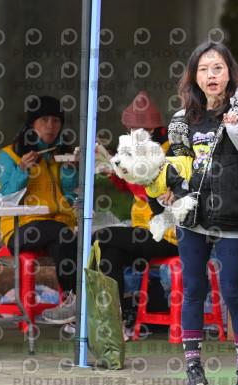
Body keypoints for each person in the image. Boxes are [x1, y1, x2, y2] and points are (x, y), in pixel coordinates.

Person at [166, 41, 238, 385]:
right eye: (203, 69)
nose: (210, 75)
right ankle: (193, 367)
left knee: (233, 293)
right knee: (194, 290)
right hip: (192, 218)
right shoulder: (183, 119)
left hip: (235, 216)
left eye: (217, 68)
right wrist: (172, 190)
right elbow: (177, 164)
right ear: (194, 77)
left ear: (230, 73)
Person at [93, 91, 179, 334]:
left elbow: (147, 191)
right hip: (143, 232)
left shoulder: (168, 153)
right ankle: (115, 322)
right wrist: (114, 172)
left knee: (101, 237)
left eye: (134, 131)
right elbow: (129, 187)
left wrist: (122, 170)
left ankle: (78, 298)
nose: (130, 136)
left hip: (168, 235)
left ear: (150, 130)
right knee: (109, 254)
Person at [0, 96, 79, 324]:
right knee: (63, 234)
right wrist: (22, 169)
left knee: (64, 241)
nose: (50, 126)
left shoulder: (59, 154)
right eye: (44, 120)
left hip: (56, 227)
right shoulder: (9, 154)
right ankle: (79, 301)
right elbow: (7, 197)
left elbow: (68, 196)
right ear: (32, 124)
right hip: (20, 228)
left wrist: (70, 170)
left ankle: (72, 308)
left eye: (56, 120)